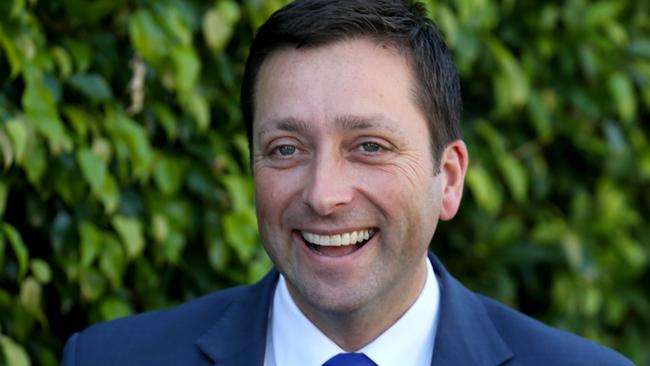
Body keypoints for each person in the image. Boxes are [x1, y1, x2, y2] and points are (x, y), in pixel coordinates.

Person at [61, 1, 633, 365]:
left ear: (450, 178)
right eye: (286, 149)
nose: (322, 194)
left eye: (369, 147)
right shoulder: (111, 358)